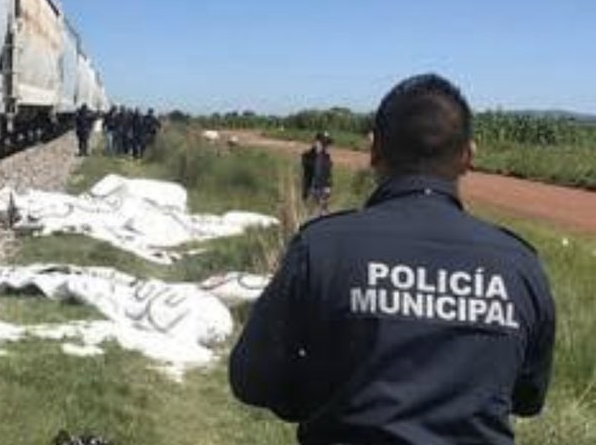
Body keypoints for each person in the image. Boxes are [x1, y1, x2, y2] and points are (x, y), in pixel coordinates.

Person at [229, 74, 556, 445]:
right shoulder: (519, 265)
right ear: (469, 156)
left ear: (374, 151)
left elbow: (251, 378)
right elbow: (528, 398)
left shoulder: (321, 248)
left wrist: (324, 394)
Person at [300, 132, 333, 217]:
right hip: (312, 189)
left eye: (325, 143)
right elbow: (307, 174)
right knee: (310, 213)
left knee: (323, 213)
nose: (324, 145)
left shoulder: (326, 156)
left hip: (323, 189)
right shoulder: (306, 156)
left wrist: (328, 187)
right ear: (315, 142)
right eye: (321, 142)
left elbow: (328, 173)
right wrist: (306, 191)